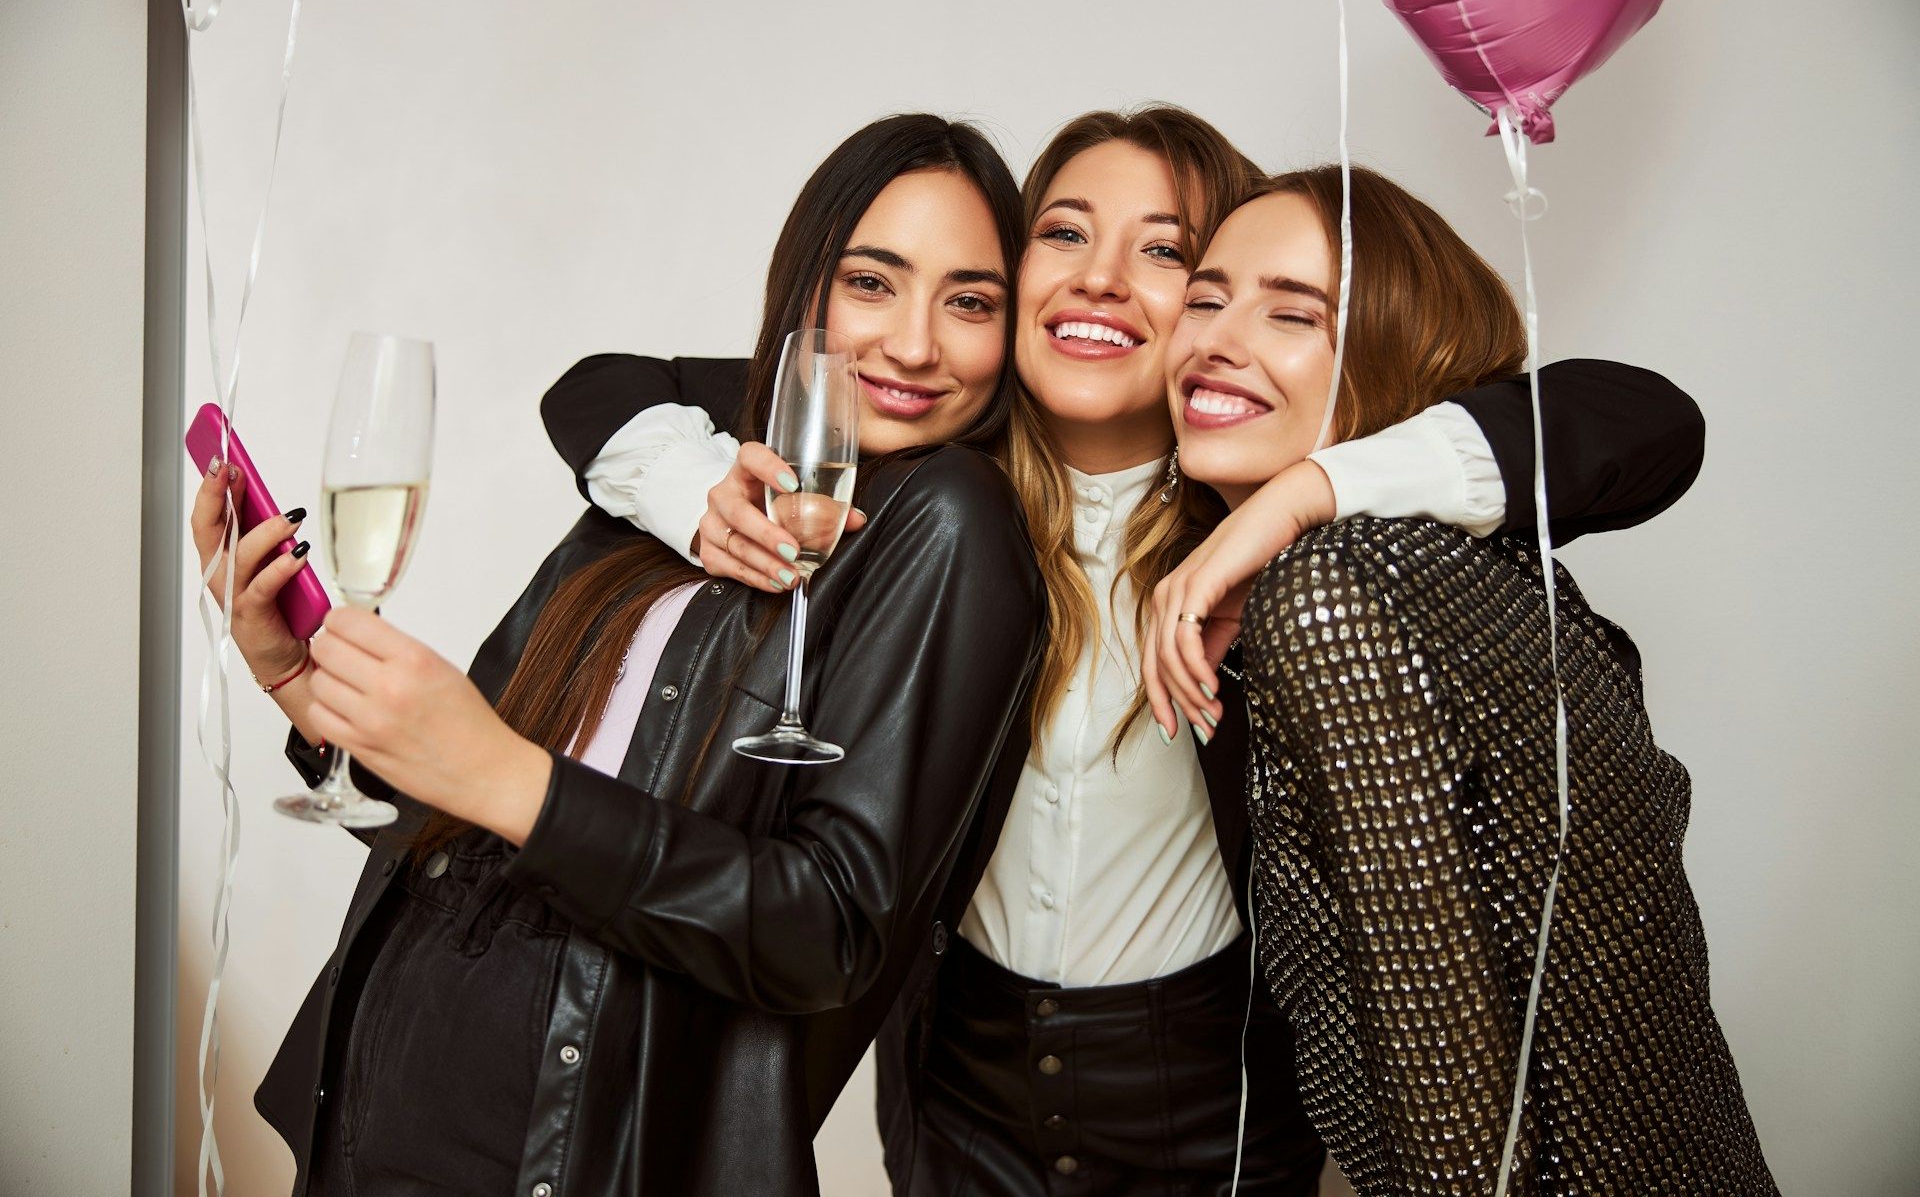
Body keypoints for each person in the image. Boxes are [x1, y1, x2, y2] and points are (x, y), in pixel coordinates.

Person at [541, 107, 1712, 1194]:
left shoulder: (1283, 508)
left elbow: (1641, 419)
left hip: (1214, 1090)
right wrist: (694, 487)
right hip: (955, 1079)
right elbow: (606, 388)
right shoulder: (925, 451)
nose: (1098, 274)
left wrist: (1299, 494)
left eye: (1166, 253)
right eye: (1062, 232)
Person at [192, 113, 1047, 1196]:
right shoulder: (691, 473)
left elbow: (827, 927)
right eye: (873, 283)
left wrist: (510, 777)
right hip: (375, 1103)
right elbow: (466, 826)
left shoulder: (948, 520)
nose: (917, 344)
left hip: (567, 1151)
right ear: (807, 289)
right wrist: (301, 685)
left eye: (971, 301)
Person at [1149, 165, 1777, 1194]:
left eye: (1293, 313)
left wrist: (1307, 494)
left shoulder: (1333, 583)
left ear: (1392, 358)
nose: (1216, 335)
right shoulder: (1464, 572)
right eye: (1206, 297)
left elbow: (1449, 1097)